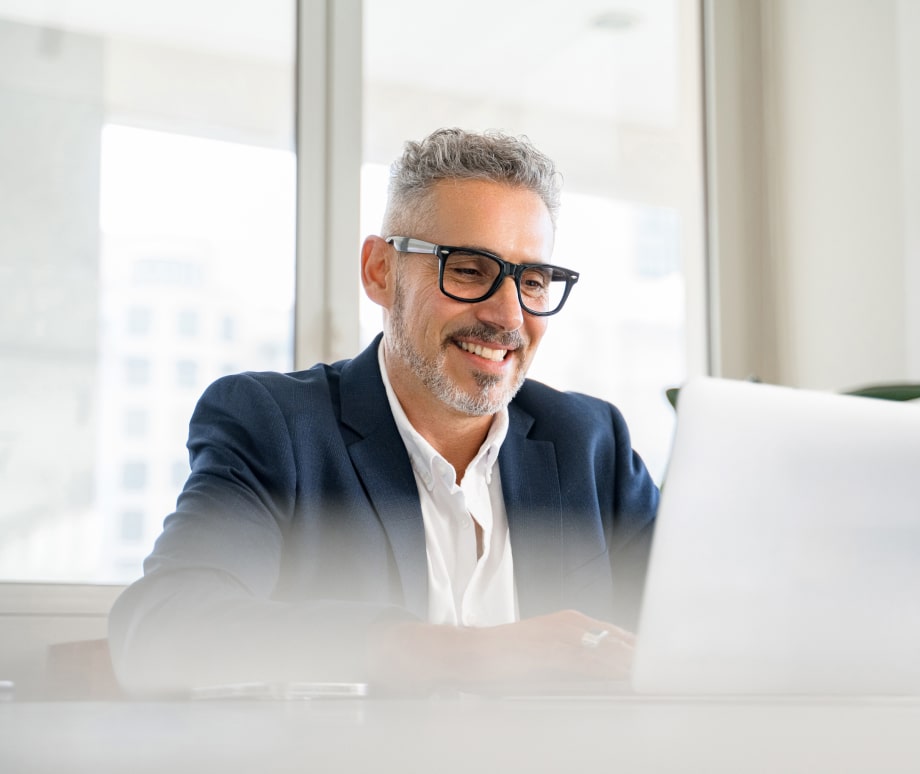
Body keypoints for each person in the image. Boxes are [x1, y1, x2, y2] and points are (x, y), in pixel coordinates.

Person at [108, 128, 659, 695]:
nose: (508, 316)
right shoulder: (275, 428)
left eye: (534, 281)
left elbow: (704, 633)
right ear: (380, 271)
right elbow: (161, 630)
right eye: (469, 270)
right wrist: (467, 655)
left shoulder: (592, 444)